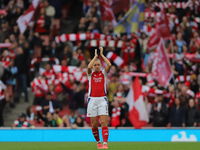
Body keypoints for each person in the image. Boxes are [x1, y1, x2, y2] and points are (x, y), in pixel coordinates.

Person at [87, 47, 111, 149]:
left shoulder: (103, 73)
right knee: (94, 124)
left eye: (98, 65)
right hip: (92, 100)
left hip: (102, 100)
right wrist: (95, 57)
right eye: (95, 65)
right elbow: (88, 67)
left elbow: (109, 65)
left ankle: (105, 143)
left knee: (104, 122)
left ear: (100, 66)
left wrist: (102, 55)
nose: (97, 66)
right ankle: (98, 142)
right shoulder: (90, 74)